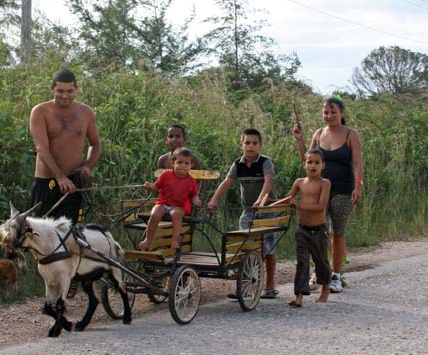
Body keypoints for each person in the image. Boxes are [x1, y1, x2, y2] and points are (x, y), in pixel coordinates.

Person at [292, 96, 364, 293]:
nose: (329, 116)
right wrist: (299, 140)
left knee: (337, 234)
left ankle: (336, 276)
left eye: (333, 112)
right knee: (317, 232)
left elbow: (357, 163)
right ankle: (319, 273)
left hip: (343, 190)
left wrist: (358, 186)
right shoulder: (318, 133)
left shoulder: (351, 134)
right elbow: (308, 161)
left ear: (342, 113)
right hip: (319, 190)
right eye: (326, 112)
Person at [207, 128, 279, 299]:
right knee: (245, 246)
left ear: (260, 146)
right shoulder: (238, 164)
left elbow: (268, 182)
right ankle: (245, 286)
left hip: (268, 211)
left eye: (254, 143)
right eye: (247, 143)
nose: (250, 146)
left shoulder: (265, 162)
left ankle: (269, 286)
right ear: (242, 145)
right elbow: (227, 182)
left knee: (267, 248)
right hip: (248, 212)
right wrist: (214, 200)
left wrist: (261, 200)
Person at [29, 68, 101, 224]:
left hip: (73, 182)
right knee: (40, 234)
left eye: (70, 91)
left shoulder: (85, 112)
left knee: (69, 234)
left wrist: (88, 166)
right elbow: (41, 148)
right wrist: (59, 176)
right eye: (60, 91)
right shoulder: (40, 111)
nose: (65, 95)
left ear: (76, 89)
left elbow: (95, 144)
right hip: (47, 181)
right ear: (52, 89)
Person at [273, 149, 331, 306]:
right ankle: (299, 296)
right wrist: (268, 204)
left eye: (317, 162)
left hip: (319, 230)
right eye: (310, 162)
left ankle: (325, 287)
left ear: (323, 165)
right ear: (304, 164)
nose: (313, 165)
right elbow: (288, 199)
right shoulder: (299, 182)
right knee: (302, 262)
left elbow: (320, 207)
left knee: (321, 262)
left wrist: (298, 206)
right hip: (303, 230)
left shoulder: (325, 183)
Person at [139, 148, 202, 251]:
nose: (183, 166)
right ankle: (148, 240)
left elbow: (194, 194)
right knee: (155, 213)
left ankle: (174, 240)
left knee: (176, 214)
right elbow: (156, 187)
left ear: (191, 165)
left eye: (187, 163)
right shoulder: (166, 175)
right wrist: (150, 186)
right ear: (173, 163)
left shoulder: (191, 181)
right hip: (163, 203)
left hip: (178, 205)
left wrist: (196, 200)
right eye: (179, 162)